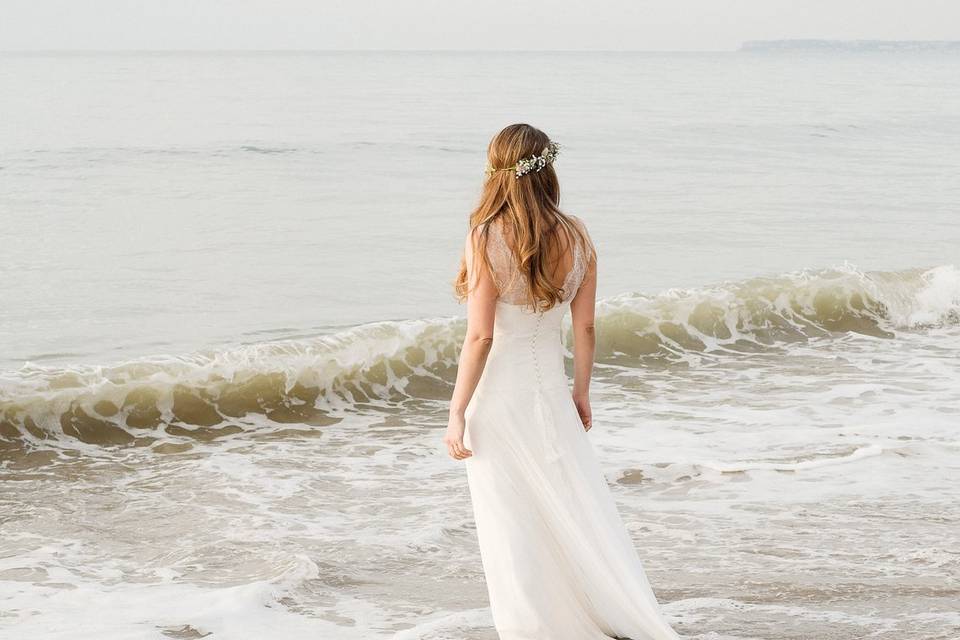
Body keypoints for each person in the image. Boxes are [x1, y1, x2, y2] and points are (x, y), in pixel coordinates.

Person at [445, 123, 682, 640]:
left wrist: (457, 411)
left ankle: (531, 626)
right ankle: (592, 613)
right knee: (569, 505)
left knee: (512, 519)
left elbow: (480, 337)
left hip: (499, 401)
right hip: (550, 395)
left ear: (495, 171)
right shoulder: (577, 234)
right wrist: (581, 392)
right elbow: (586, 327)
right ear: (547, 167)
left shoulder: (485, 234)